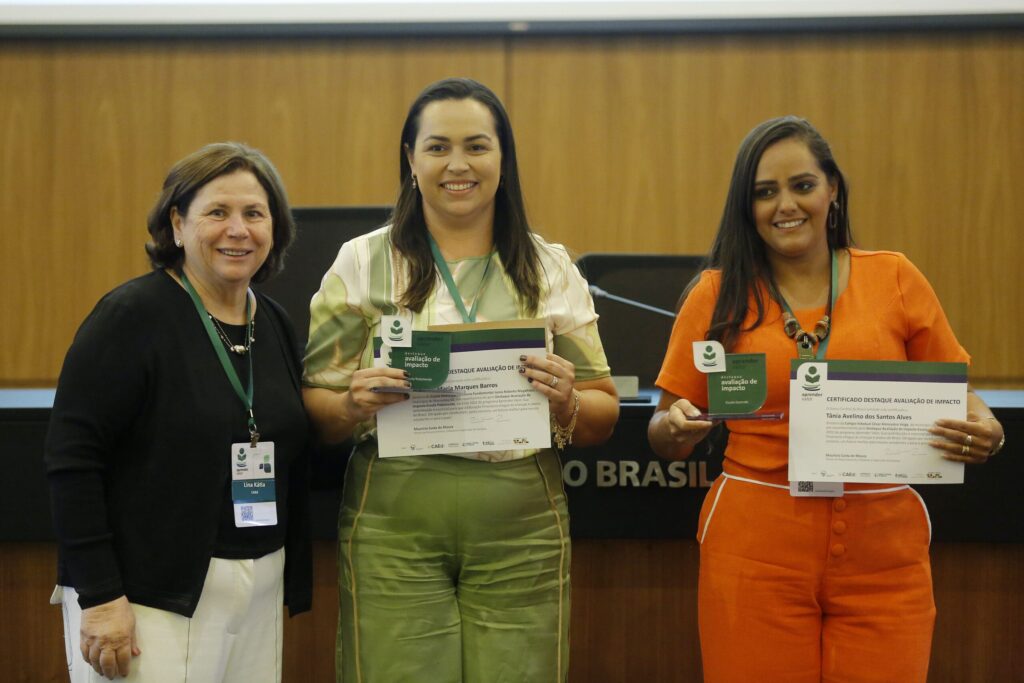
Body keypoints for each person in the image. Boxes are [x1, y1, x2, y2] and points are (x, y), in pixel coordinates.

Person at [648, 116, 1005, 683]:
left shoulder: (894, 277)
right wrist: (676, 429)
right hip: (753, 546)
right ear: (747, 206)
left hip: (884, 549)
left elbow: (960, 397)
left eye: (802, 185)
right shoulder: (715, 294)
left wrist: (987, 427)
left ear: (832, 190)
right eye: (764, 192)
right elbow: (664, 428)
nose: (785, 204)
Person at [303, 77, 619, 682]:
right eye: (437, 147)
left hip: (521, 523)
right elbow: (313, 406)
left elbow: (603, 411)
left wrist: (567, 399)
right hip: (393, 520)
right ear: (411, 160)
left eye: (477, 146)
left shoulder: (548, 267)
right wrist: (351, 404)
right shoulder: (363, 262)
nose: (458, 164)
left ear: (503, 158)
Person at [45, 142, 312, 682]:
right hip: (147, 598)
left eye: (254, 214)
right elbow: (72, 462)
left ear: (274, 229)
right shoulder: (131, 316)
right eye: (217, 212)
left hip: (259, 585)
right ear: (176, 224)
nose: (238, 230)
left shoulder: (275, 322)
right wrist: (100, 597)